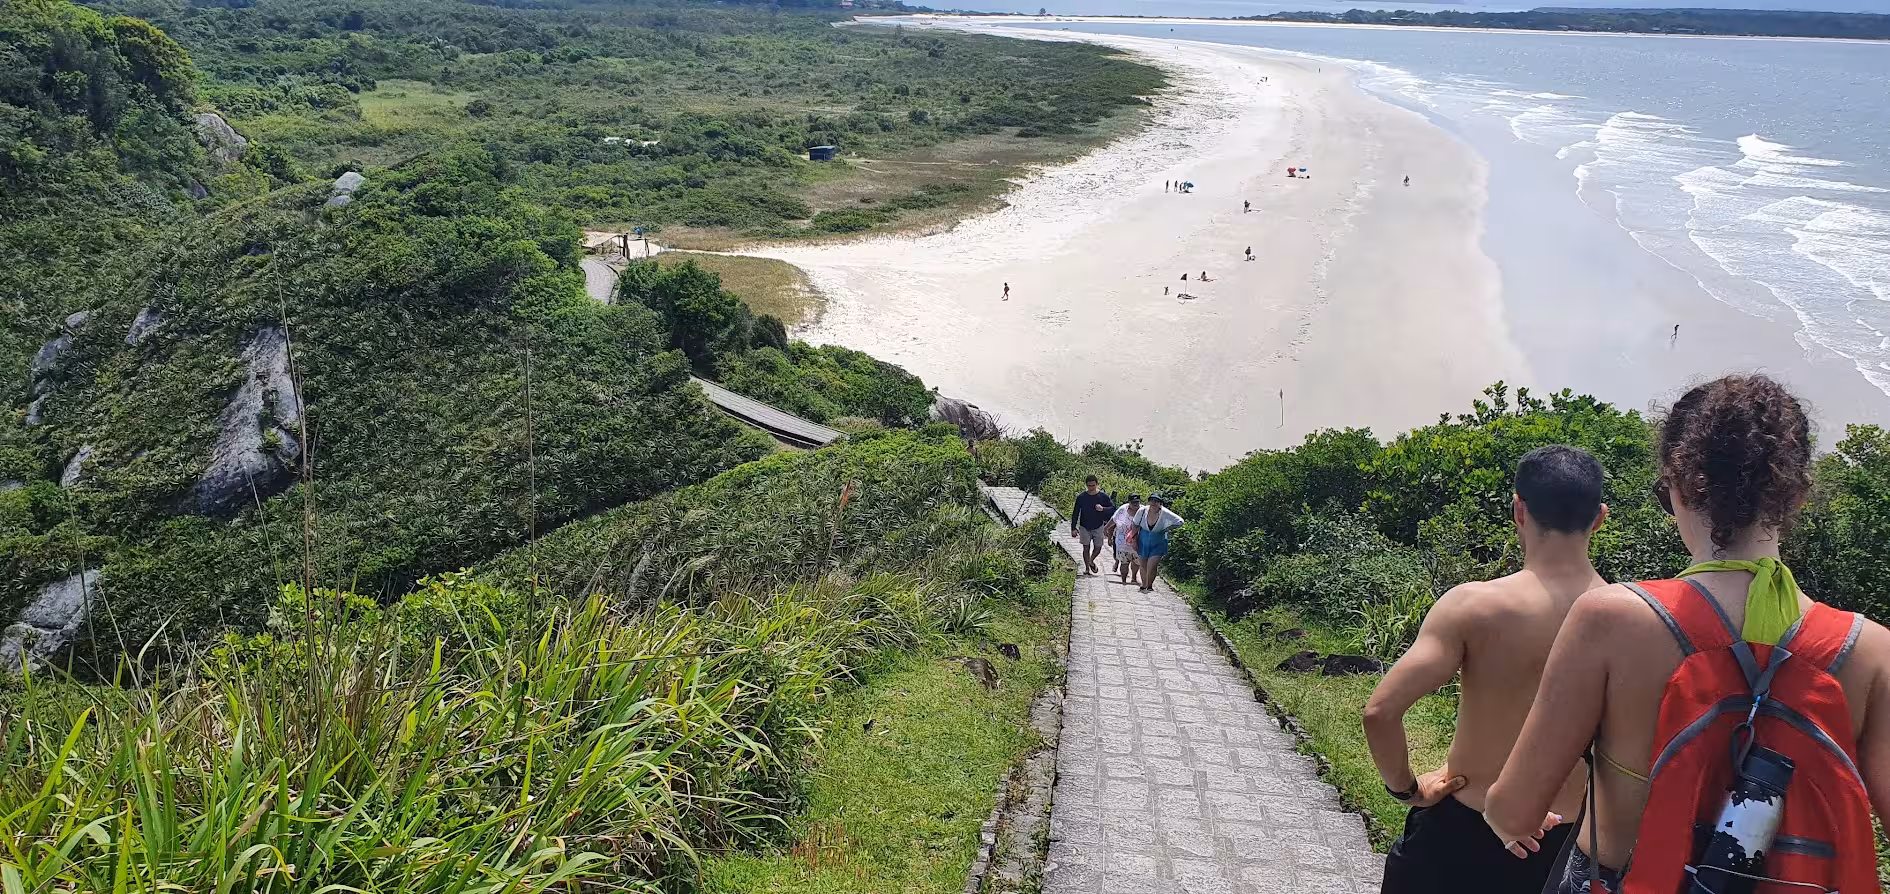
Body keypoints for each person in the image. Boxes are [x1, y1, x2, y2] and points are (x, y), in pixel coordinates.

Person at [1485, 375, 1890, 894]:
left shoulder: (1611, 618)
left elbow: (1515, 810)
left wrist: (1506, 812)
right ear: (1799, 495)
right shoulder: (1870, 650)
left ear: (1676, 485)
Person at [1366, 446, 1610, 894]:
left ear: (1519, 509)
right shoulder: (1633, 619)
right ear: (1599, 518)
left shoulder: (1474, 605)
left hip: (1459, 835)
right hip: (1563, 850)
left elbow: (1380, 712)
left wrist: (1408, 790)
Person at [1133, 493, 1183, 592]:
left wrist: (1167, 528)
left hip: (1158, 540)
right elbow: (1135, 523)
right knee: (1143, 564)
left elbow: (1180, 521)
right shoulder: (1142, 511)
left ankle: (1149, 584)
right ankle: (1144, 584)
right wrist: (1134, 539)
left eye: (1156, 501)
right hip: (1143, 539)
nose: (1154, 503)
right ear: (1149, 501)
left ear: (1160, 503)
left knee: (1152, 565)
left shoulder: (1164, 512)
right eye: (1152, 500)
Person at [1070, 475, 1115, 576]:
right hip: (1084, 526)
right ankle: (1087, 568)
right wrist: (1073, 528)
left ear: (1097, 484)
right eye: (1089, 485)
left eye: (1093, 485)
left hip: (1098, 525)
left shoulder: (1103, 496)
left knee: (1098, 547)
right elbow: (1075, 512)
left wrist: (1103, 508)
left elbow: (1112, 508)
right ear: (1086, 485)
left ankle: (1091, 560)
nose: (1091, 488)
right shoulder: (1081, 497)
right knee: (1086, 547)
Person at [1105, 493, 1144, 584]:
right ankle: (1123, 580)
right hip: (1122, 541)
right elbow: (1114, 519)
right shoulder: (1123, 509)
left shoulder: (1143, 510)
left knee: (1136, 561)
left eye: (1137, 502)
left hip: (1138, 541)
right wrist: (1106, 528)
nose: (1136, 504)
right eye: (1133, 502)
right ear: (1129, 502)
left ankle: (1134, 577)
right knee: (1124, 561)